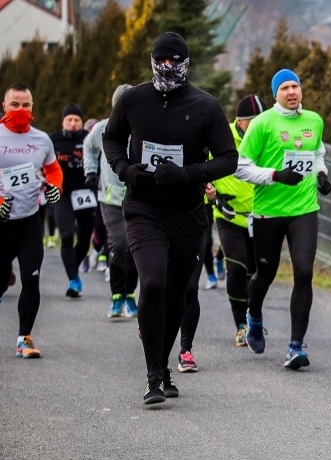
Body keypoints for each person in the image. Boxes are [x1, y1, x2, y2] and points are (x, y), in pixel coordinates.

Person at [103, 32, 238, 405]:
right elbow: (110, 139)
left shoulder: (206, 105)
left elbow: (229, 158)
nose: (167, 68)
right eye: (161, 61)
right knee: (153, 282)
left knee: (178, 292)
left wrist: (188, 174)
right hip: (144, 208)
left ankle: (163, 367)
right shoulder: (133, 99)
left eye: (175, 61)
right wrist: (125, 170)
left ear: (186, 63)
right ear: (152, 61)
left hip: (187, 213)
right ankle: (151, 376)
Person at [234, 69, 331, 370]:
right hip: (269, 212)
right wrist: (275, 176)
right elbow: (240, 167)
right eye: (285, 88)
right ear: (275, 93)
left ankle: (295, 345)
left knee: (304, 272)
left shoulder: (314, 120)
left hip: (304, 209)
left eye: (296, 86)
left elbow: (317, 153)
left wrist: (321, 174)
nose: (292, 92)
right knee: (265, 274)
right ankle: (254, 317)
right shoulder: (263, 124)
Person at [0, 84, 63, 357]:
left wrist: (56, 188)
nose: (21, 110)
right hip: (0, 223)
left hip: (28, 222)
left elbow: (54, 170)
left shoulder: (41, 140)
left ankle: (24, 338)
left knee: (31, 279)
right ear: (5, 106)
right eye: (15, 104)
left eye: (26, 105)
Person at [205, 94, 263, 348]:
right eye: (254, 121)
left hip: (260, 215)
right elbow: (202, 167)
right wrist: (212, 194)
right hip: (228, 214)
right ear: (241, 121)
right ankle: (241, 324)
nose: (259, 125)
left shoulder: (266, 136)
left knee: (255, 272)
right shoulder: (222, 135)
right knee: (237, 266)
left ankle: (253, 317)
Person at [83, 83, 139, 320]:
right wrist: (91, 171)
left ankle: (130, 297)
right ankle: (117, 296)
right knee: (119, 244)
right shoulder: (102, 128)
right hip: (110, 199)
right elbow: (88, 147)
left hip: (138, 198)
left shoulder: (142, 128)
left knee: (136, 248)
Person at [50, 102, 93, 298]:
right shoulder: (53, 140)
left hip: (85, 194)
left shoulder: (89, 139)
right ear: (63, 122)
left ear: (82, 122)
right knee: (66, 235)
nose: (73, 123)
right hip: (63, 194)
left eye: (77, 120)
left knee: (85, 238)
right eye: (69, 120)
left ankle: (74, 268)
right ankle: (73, 279)